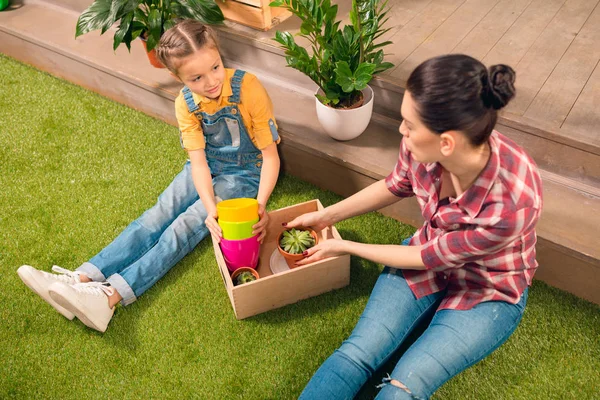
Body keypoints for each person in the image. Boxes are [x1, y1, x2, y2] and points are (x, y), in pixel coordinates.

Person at [287, 54, 542, 399]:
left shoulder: (511, 200)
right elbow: (395, 185)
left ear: (446, 143)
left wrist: (344, 246)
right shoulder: (421, 147)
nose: (400, 130)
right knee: (357, 353)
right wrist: (327, 216)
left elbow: (426, 256)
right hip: (427, 262)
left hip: (486, 290)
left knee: (405, 383)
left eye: (409, 124)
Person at [17, 19, 281, 333]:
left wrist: (258, 205)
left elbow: (269, 156)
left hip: (243, 175)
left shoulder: (248, 87)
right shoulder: (185, 103)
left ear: (219, 56)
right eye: (196, 77)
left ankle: (108, 298)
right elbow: (198, 163)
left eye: (215, 67)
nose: (211, 81)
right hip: (207, 167)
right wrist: (212, 209)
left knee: (183, 227)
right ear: (177, 77)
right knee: (158, 215)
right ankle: (82, 277)